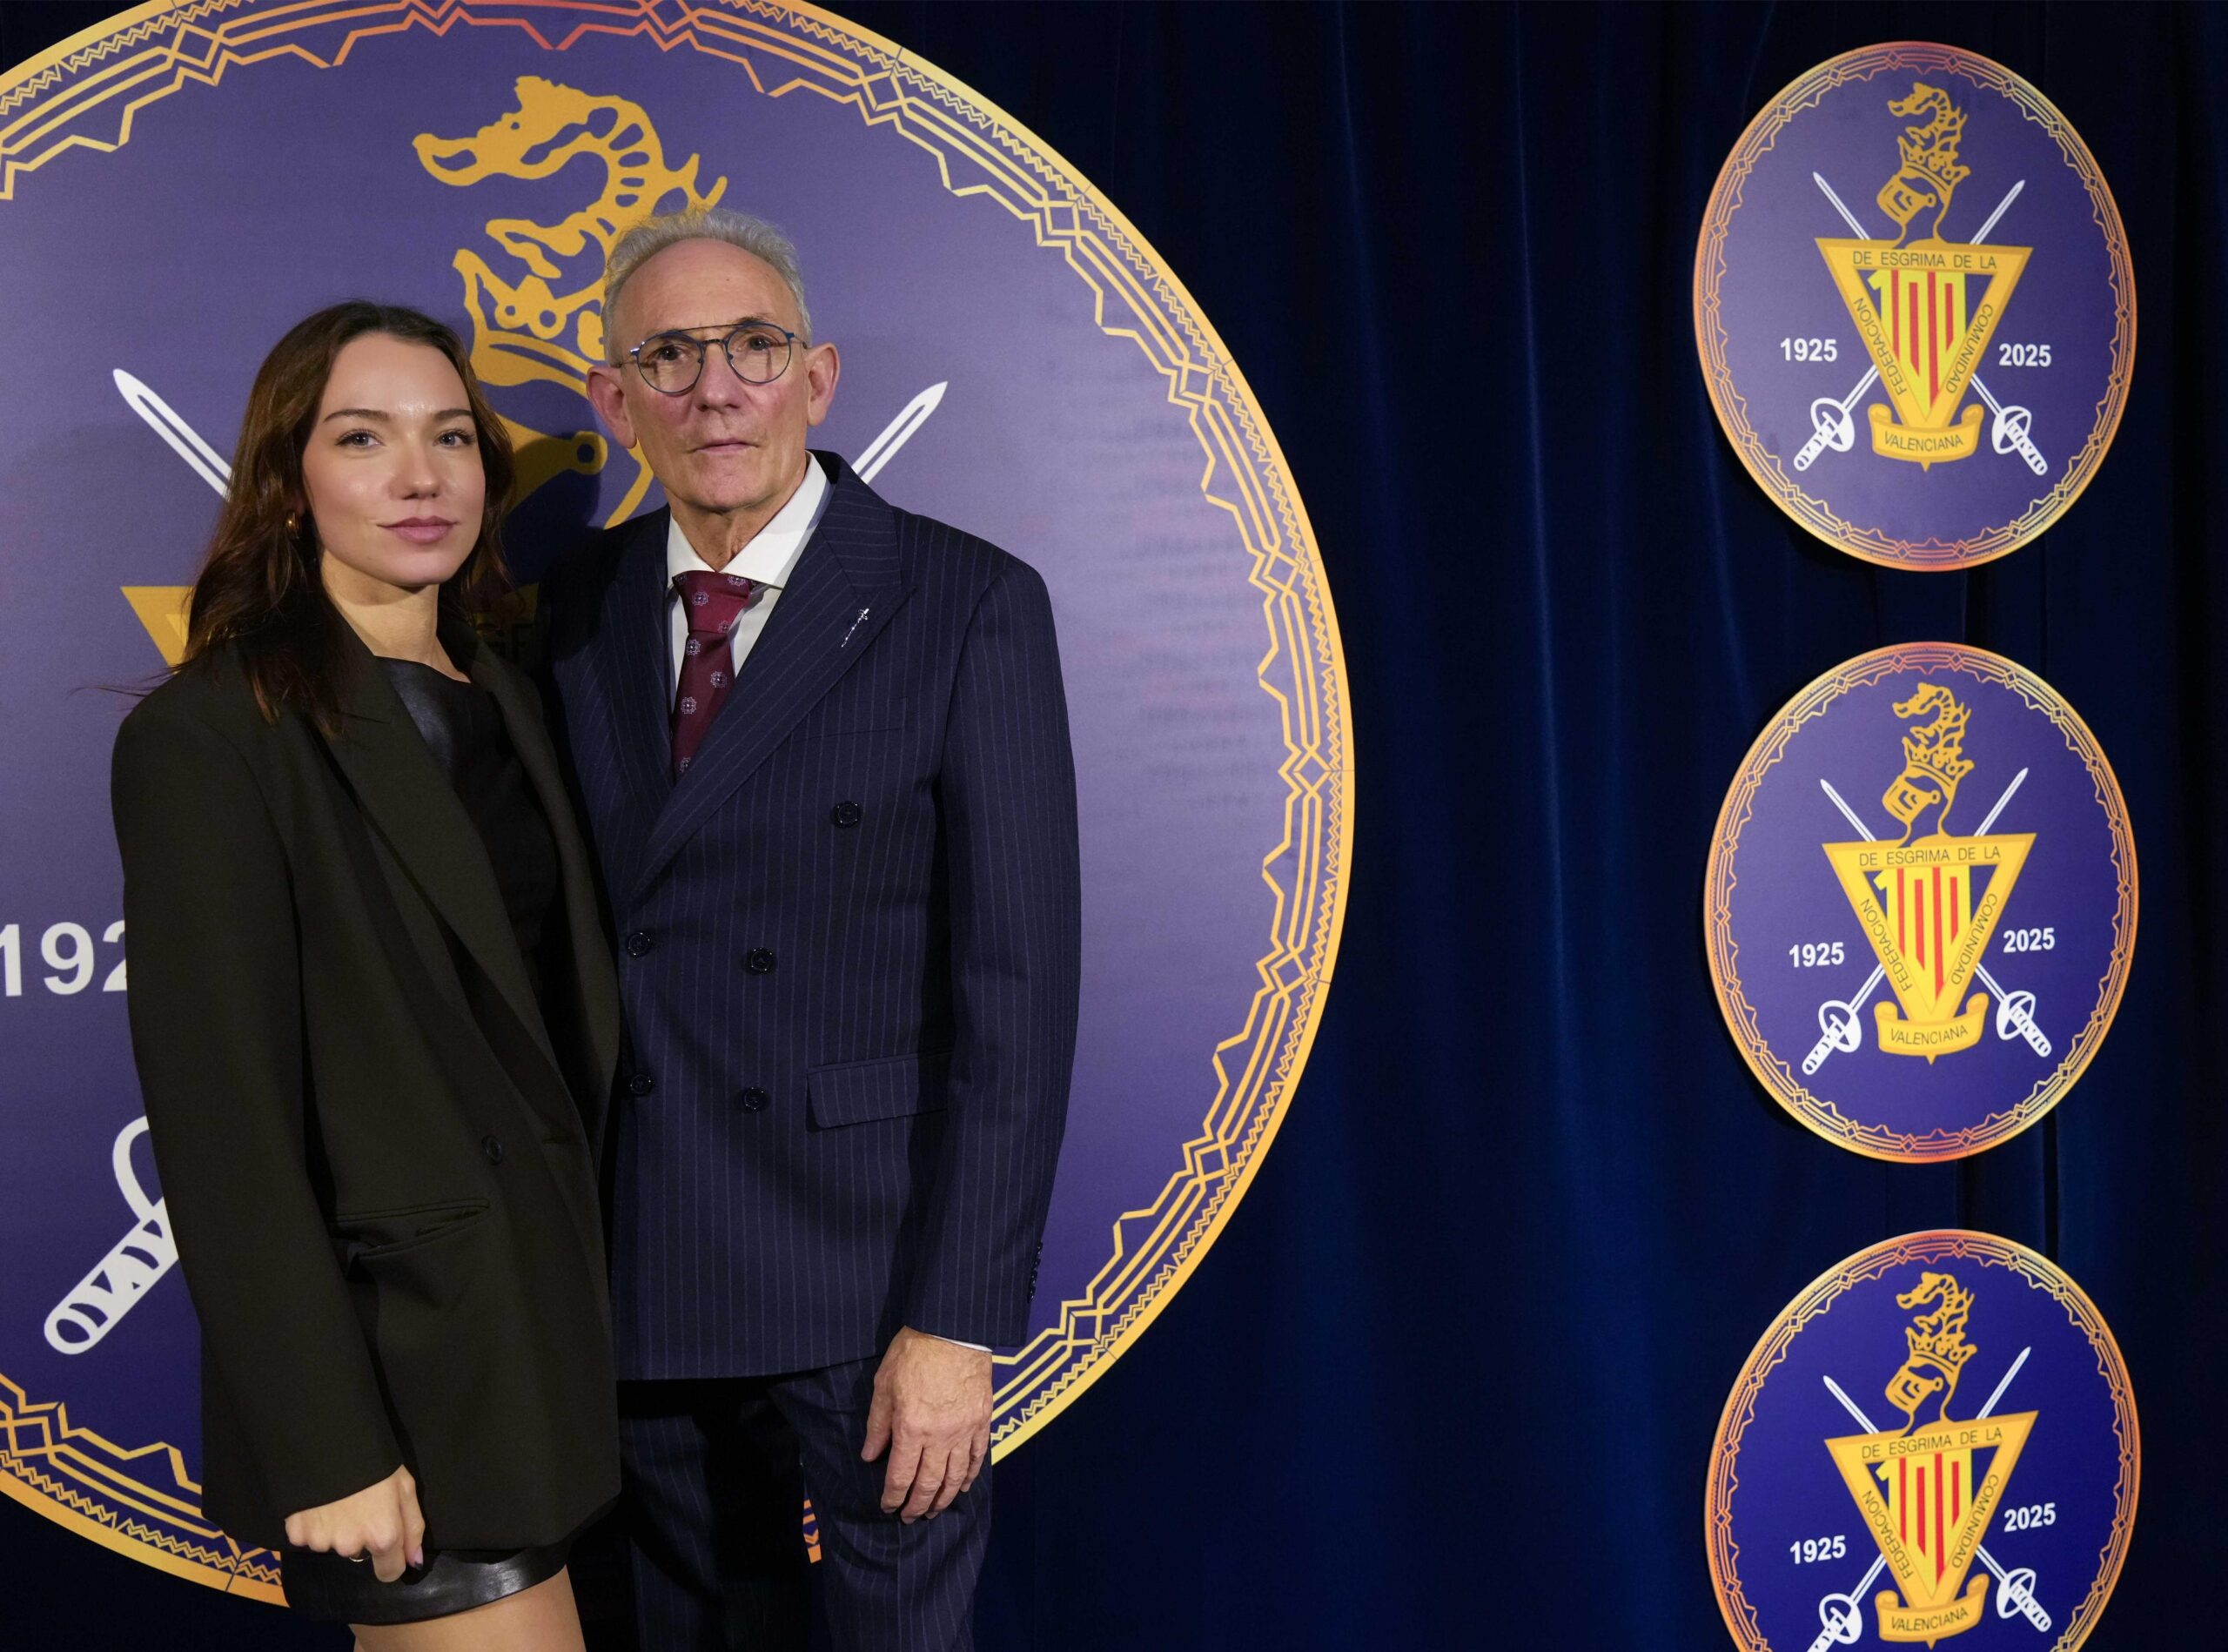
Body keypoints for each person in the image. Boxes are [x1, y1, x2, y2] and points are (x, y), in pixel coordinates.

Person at [539, 206, 1082, 1648]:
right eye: (668, 356)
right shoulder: (569, 609)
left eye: (753, 347)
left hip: (871, 1279)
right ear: (615, 400)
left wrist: (958, 1322)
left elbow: (1019, 998)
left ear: (818, 377)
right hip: (645, 1264)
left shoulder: (963, 602)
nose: (714, 389)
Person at [111, 302, 624, 1648]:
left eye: (451, 436)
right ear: (288, 481)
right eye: (362, 437)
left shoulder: (512, 687)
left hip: (561, 1353)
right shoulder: (214, 733)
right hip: (407, 1376)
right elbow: (222, 1122)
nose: (420, 475)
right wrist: (326, 1437)